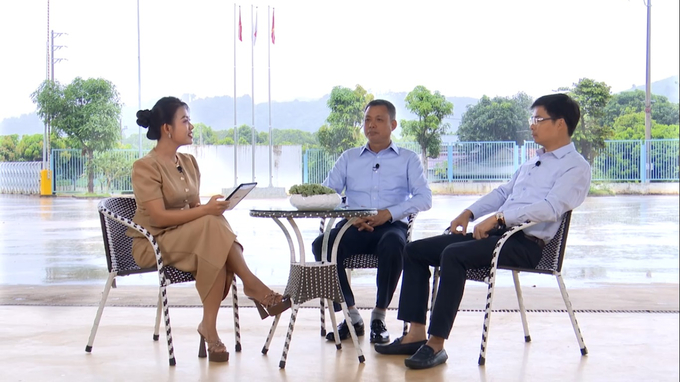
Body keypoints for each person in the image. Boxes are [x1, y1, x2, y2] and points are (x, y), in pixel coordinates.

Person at [375, 93, 591, 369]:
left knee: (454, 254)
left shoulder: (575, 167)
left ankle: (436, 344)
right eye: (532, 119)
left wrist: (500, 219)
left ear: (560, 123)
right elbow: (503, 192)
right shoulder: (533, 161)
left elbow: (550, 208)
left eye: (538, 119)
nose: (532, 125)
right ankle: (415, 333)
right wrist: (470, 213)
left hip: (526, 245)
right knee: (415, 250)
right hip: (497, 237)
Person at [127, 96, 291, 363]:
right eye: (185, 120)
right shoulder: (145, 167)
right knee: (213, 234)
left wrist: (210, 208)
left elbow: (193, 209)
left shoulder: (189, 163)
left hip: (187, 239)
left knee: (213, 243)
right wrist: (206, 211)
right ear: (167, 128)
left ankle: (210, 328)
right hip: (153, 242)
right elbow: (157, 216)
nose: (191, 126)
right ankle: (252, 285)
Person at [312, 99, 432, 344]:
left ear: (393, 124)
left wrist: (388, 213)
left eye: (379, 120)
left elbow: (424, 198)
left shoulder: (408, 159)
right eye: (367, 120)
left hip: (389, 226)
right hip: (352, 226)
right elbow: (327, 195)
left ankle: (379, 315)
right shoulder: (349, 158)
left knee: (395, 245)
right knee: (322, 245)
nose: (372, 125)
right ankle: (351, 315)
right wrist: (350, 214)